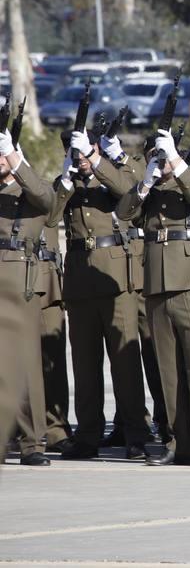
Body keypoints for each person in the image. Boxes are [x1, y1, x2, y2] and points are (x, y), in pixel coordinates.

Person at [117, 129, 190, 466]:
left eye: (161, 155)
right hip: (158, 285)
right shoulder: (151, 190)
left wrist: (177, 161)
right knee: (169, 372)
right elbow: (124, 212)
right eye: (155, 156)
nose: (159, 161)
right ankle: (179, 443)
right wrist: (145, 183)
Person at [55, 129, 148, 461]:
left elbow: (129, 191)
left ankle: (136, 433)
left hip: (114, 278)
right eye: (72, 151)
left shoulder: (110, 175)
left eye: (81, 150)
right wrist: (67, 176)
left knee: (124, 362)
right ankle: (88, 434)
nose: (77, 157)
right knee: (84, 363)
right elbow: (51, 214)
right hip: (80, 279)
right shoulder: (66, 182)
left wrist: (96, 161)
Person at [0, 126, 56, 465]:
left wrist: (15, 158)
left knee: (26, 363)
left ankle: (33, 442)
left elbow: (47, 199)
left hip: (22, 280)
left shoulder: (29, 190)